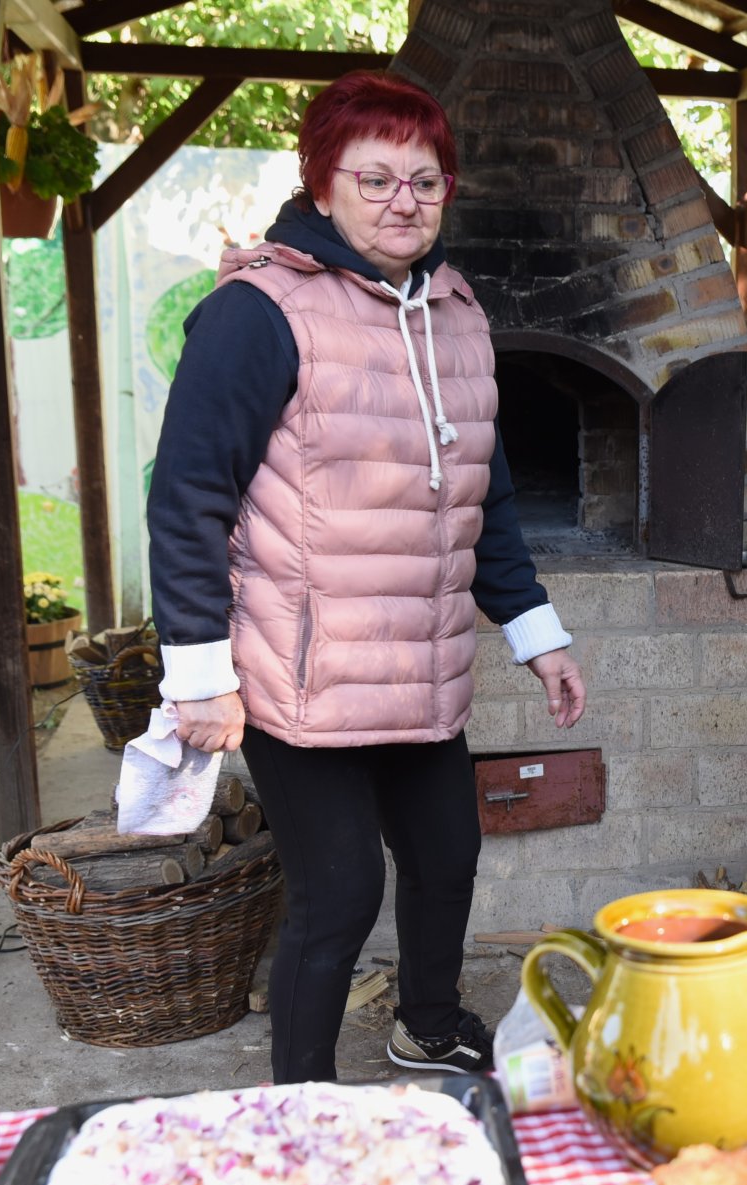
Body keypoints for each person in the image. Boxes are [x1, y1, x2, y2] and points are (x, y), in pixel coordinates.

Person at [147, 71, 587, 1084]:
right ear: (323, 183)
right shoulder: (259, 313)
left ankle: (427, 1024)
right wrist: (198, 674)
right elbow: (187, 498)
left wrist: (538, 634)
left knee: (446, 858)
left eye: (425, 182)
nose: (404, 202)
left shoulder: (456, 314)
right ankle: (303, 1099)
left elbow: (485, 498)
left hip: (421, 666)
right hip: (303, 674)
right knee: (339, 892)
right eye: (376, 179)